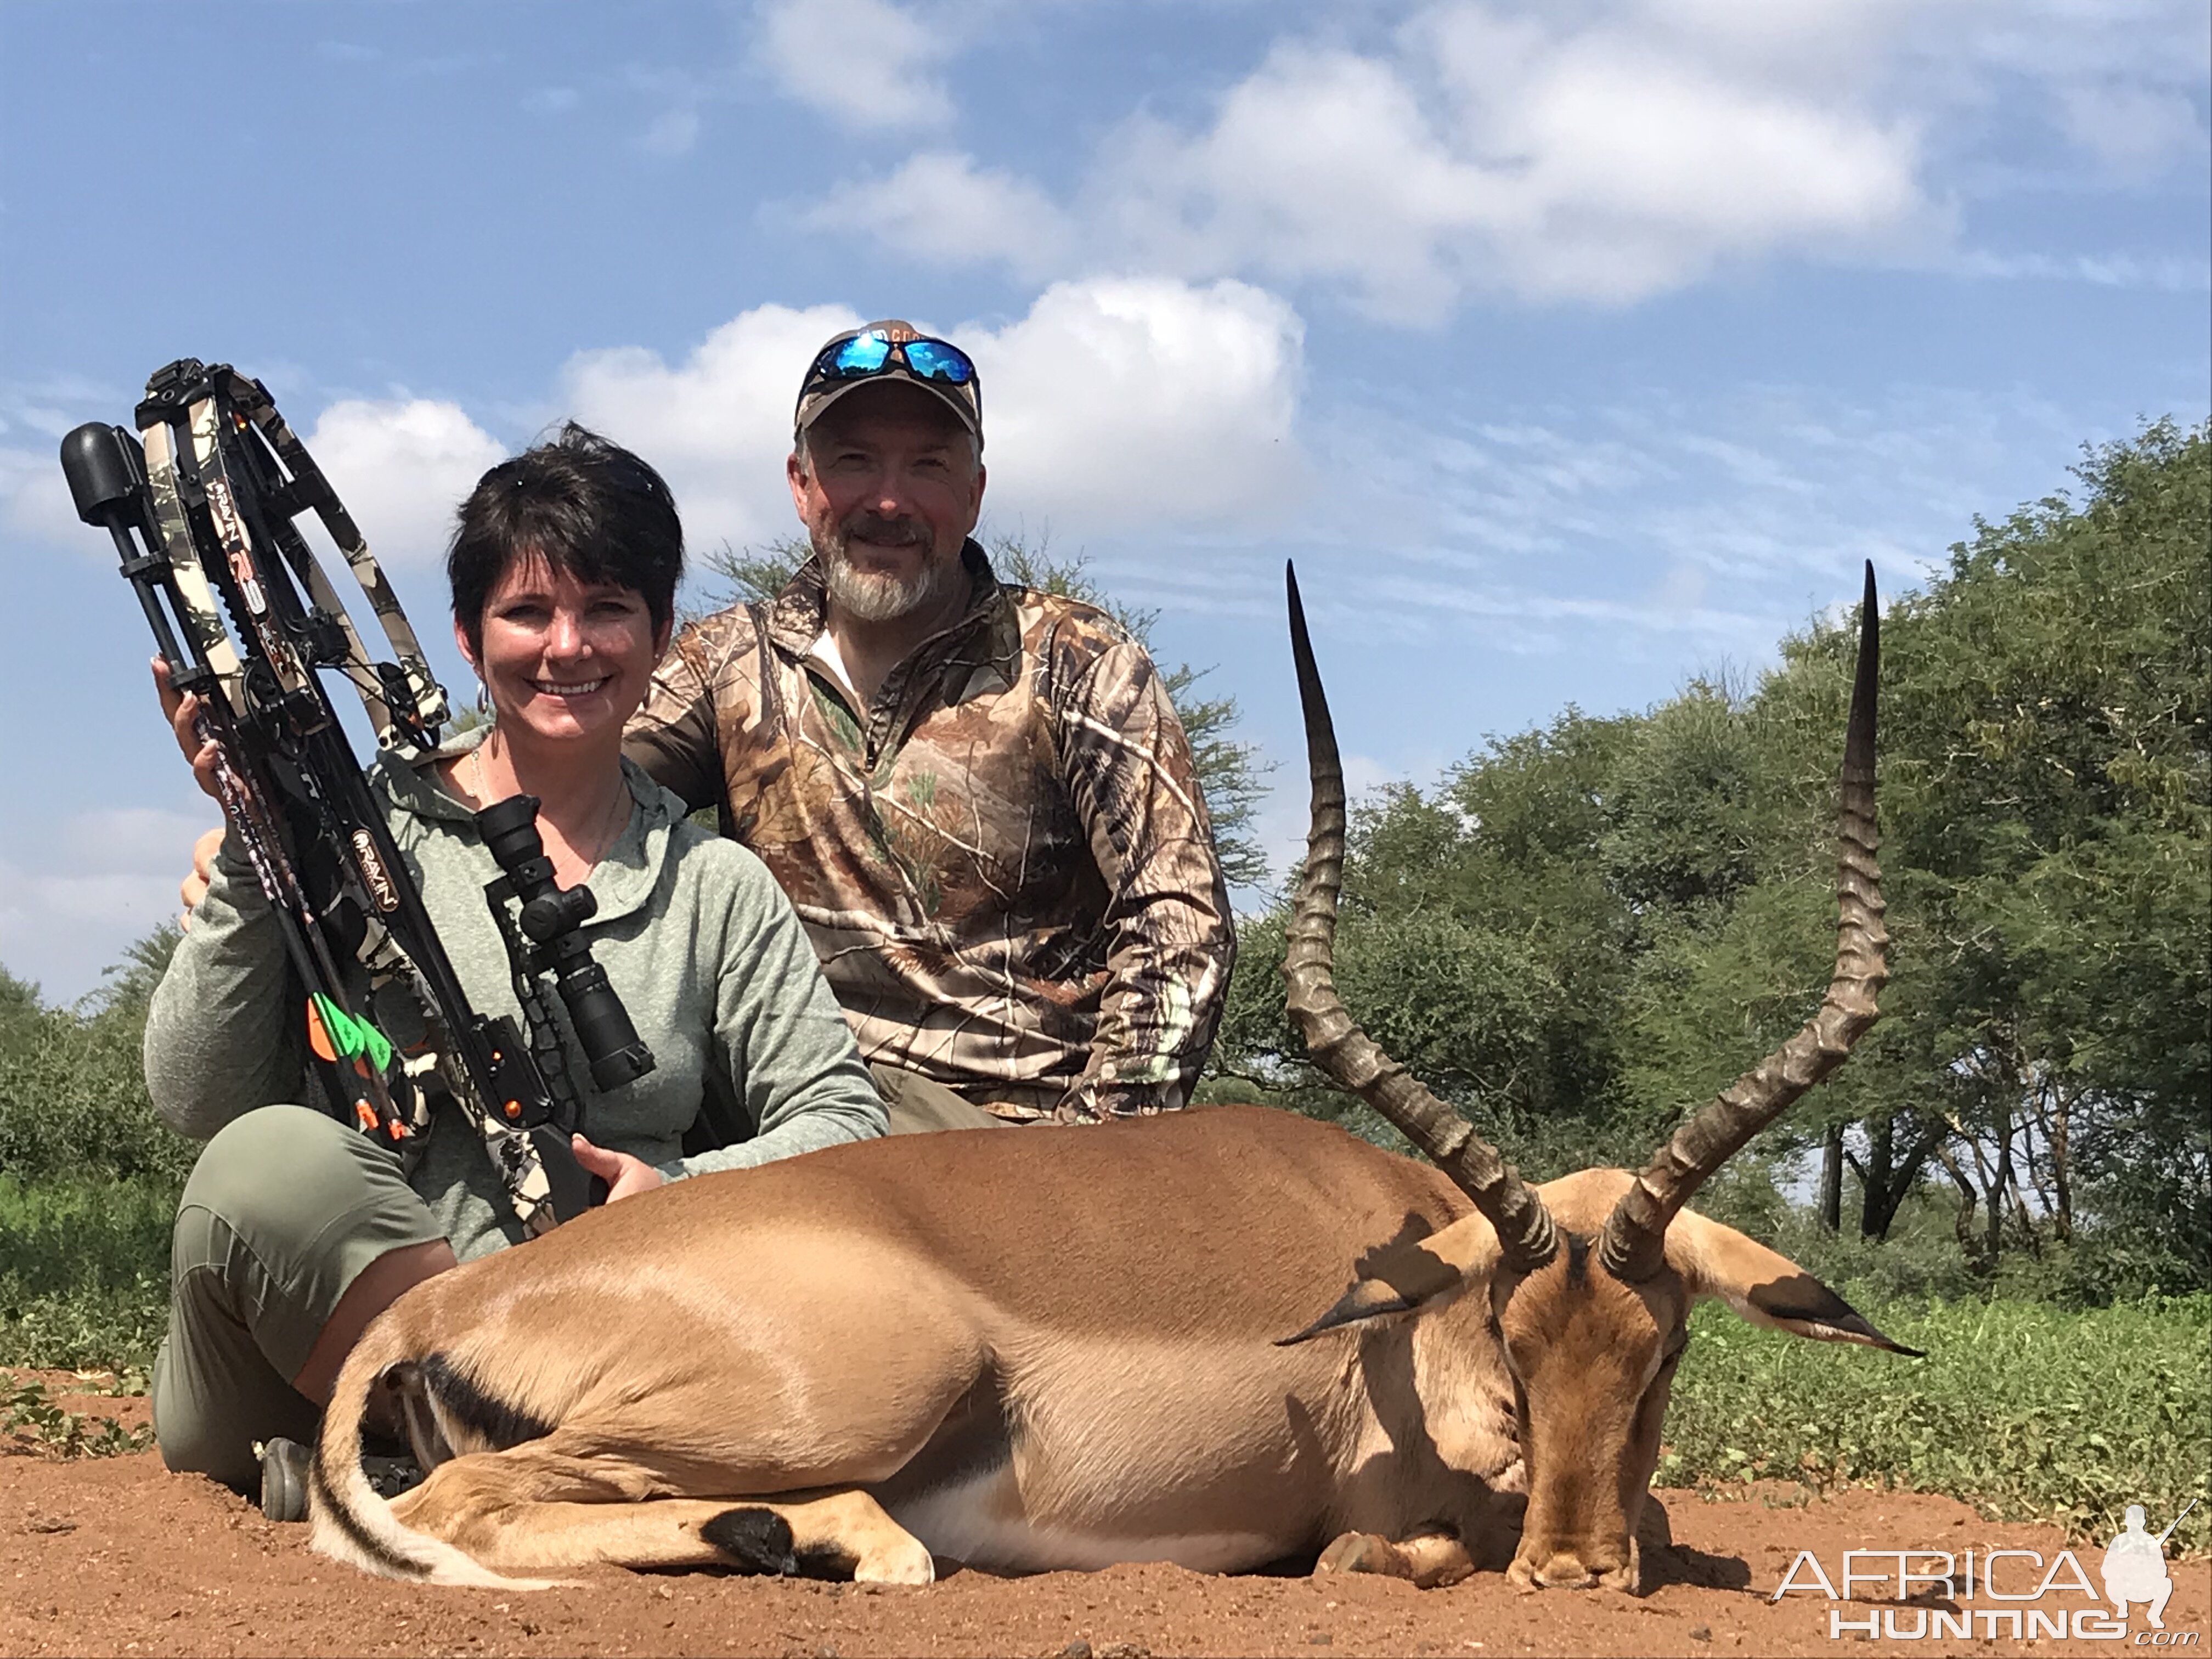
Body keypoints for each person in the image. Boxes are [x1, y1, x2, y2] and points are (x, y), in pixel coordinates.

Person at [145, 425, 887, 1498]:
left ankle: (421, 1479)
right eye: (527, 611)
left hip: (600, 1351)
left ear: (663, 633)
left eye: (607, 610)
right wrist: (258, 838)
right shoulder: (354, 830)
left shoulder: (714, 881)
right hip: (320, 1361)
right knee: (266, 1163)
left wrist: (678, 1188)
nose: (568, 646)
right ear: (463, 633)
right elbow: (194, 1096)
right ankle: (481, 1466)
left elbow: (843, 1123)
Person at [624, 321, 1235, 1131]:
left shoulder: (1076, 659)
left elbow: (1178, 921)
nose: (889, 501)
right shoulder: (726, 659)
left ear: (975, 493)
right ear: (800, 484)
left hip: (1010, 1139)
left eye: (928, 467)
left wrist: (1096, 1164)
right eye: (854, 462)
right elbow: (571, 790)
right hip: (775, 1116)